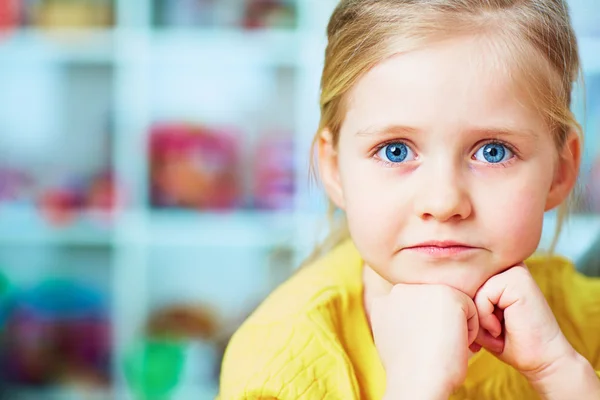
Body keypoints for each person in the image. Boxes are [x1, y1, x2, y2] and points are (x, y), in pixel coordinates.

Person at [219, 0, 600, 398]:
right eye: (395, 151)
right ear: (334, 168)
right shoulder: (279, 365)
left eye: (493, 151)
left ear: (560, 171)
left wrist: (560, 372)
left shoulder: (588, 329)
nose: (443, 201)